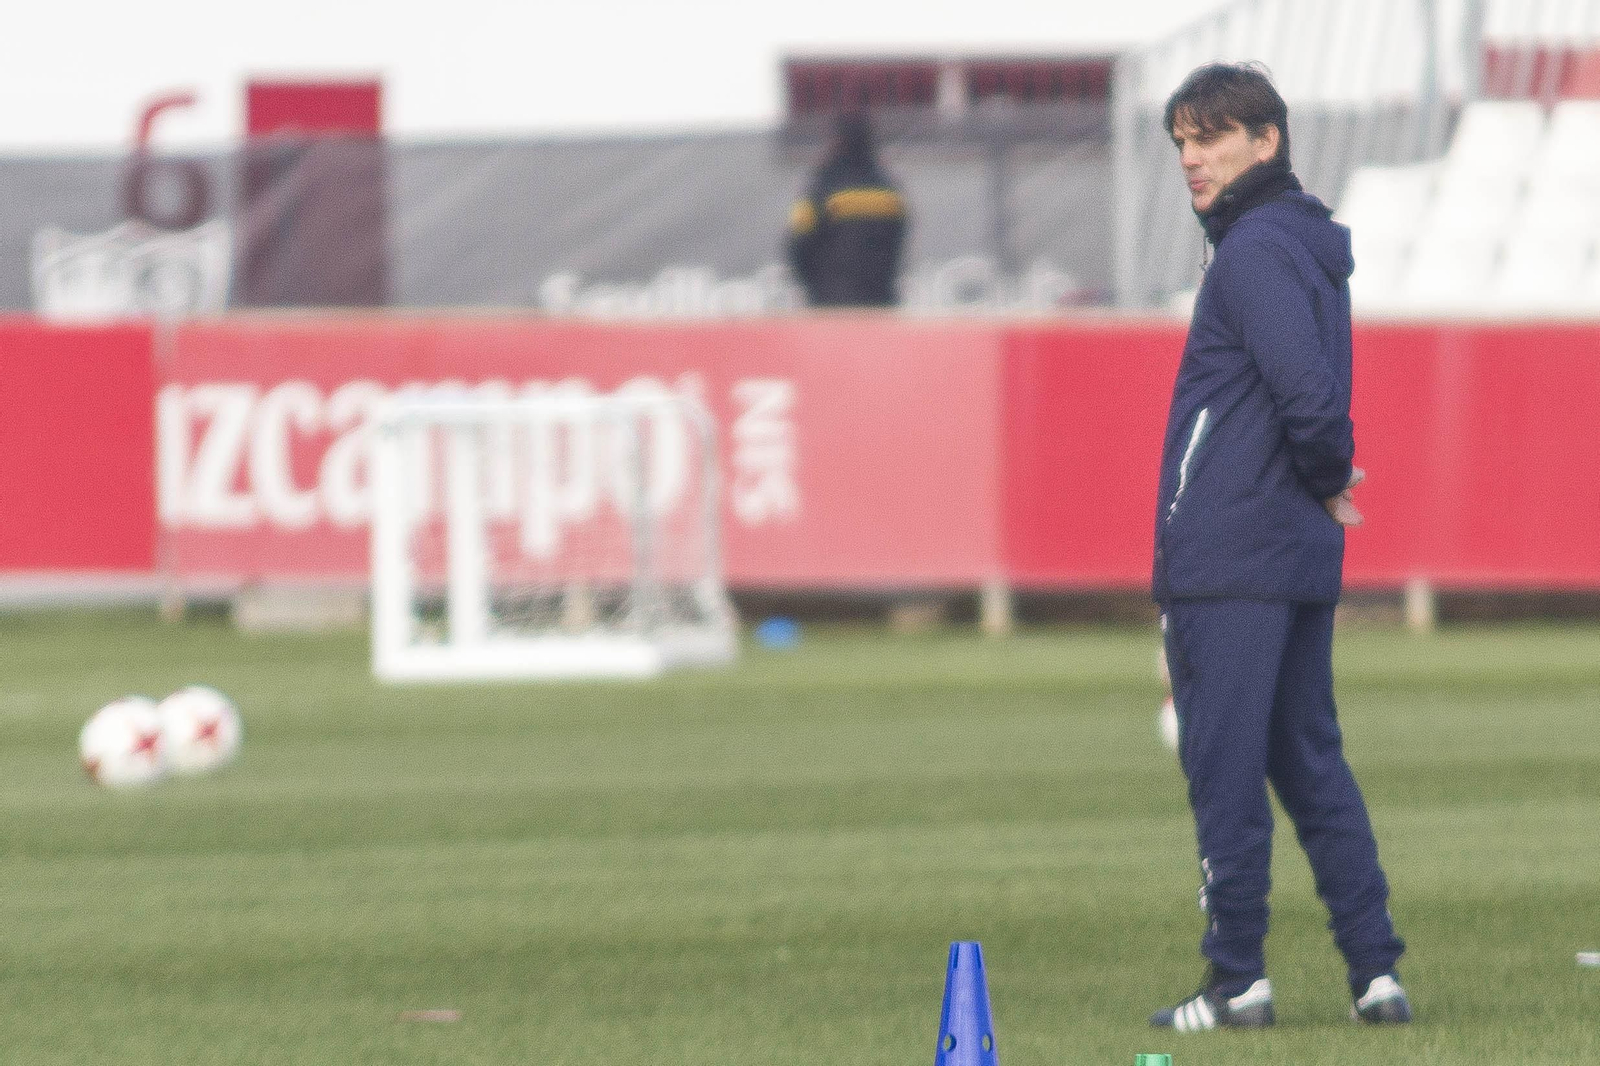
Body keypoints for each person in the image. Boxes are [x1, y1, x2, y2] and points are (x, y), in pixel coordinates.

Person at [1148, 62, 1411, 1033]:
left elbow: (1308, 397)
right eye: (1181, 140)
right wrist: (1322, 477)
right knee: (1309, 760)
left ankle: (1237, 983)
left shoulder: (1253, 250)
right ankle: (1374, 974)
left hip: (1231, 551)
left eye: (1211, 136)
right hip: (1290, 546)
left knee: (1225, 767)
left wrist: (1327, 465)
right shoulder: (1300, 244)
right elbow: (1307, 403)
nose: (1191, 157)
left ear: (1266, 140)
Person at [785, 112, 907, 307]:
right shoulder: (888, 190)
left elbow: (798, 245)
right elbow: (898, 243)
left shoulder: (822, 187)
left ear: (837, 141)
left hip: (830, 304)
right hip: (880, 302)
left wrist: (813, 289)